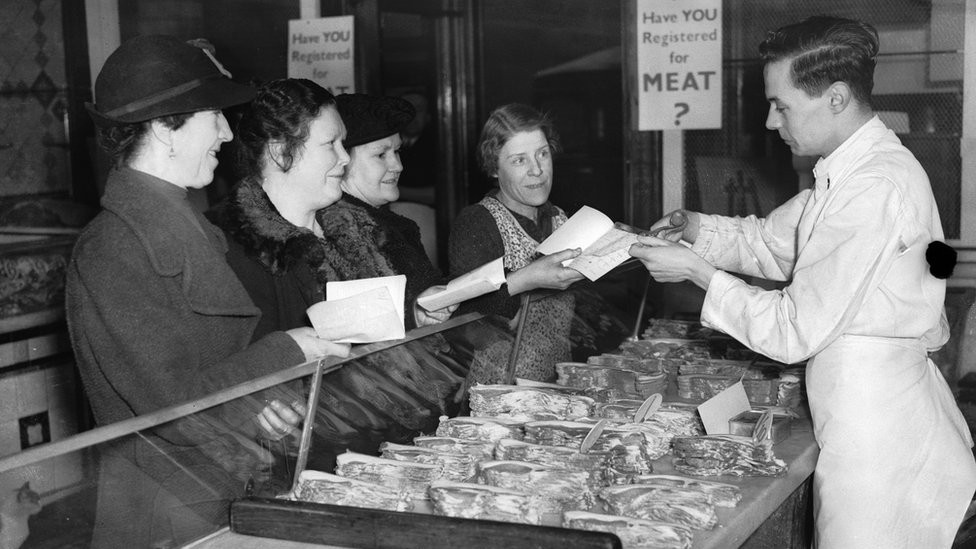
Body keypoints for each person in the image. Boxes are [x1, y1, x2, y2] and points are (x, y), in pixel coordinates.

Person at [629, 16, 976, 548]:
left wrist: (699, 274)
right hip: (861, 413)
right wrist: (697, 229)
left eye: (782, 105)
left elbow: (793, 329)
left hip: (879, 432)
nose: (771, 121)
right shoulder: (848, 172)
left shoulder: (874, 186)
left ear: (836, 98)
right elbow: (771, 242)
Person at [66, 36, 349, 547]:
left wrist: (259, 401)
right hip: (167, 516)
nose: (224, 131)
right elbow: (172, 406)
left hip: (221, 491)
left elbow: (214, 367)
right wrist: (291, 348)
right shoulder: (112, 248)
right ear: (163, 128)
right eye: (212, 114)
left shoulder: (182, 223)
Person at [208, 86, 462, 469]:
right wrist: (259, 406)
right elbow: (225, 374)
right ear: (281, 153)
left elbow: (354, 331)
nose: (344, 158)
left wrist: (413, 313)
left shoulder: (356, 228)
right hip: (301, 465)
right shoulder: (230, 244)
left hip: (381, 445)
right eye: (332, 145)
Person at [448, 103, 601, 384]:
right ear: (494, 167)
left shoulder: (560, 218)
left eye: (543, 154)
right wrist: (526, 280)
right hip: (498, 392)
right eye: (520, 160)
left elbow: (584, 312)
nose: (538, 170)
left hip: (554, 381)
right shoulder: (478, 222)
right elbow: (468, 323)